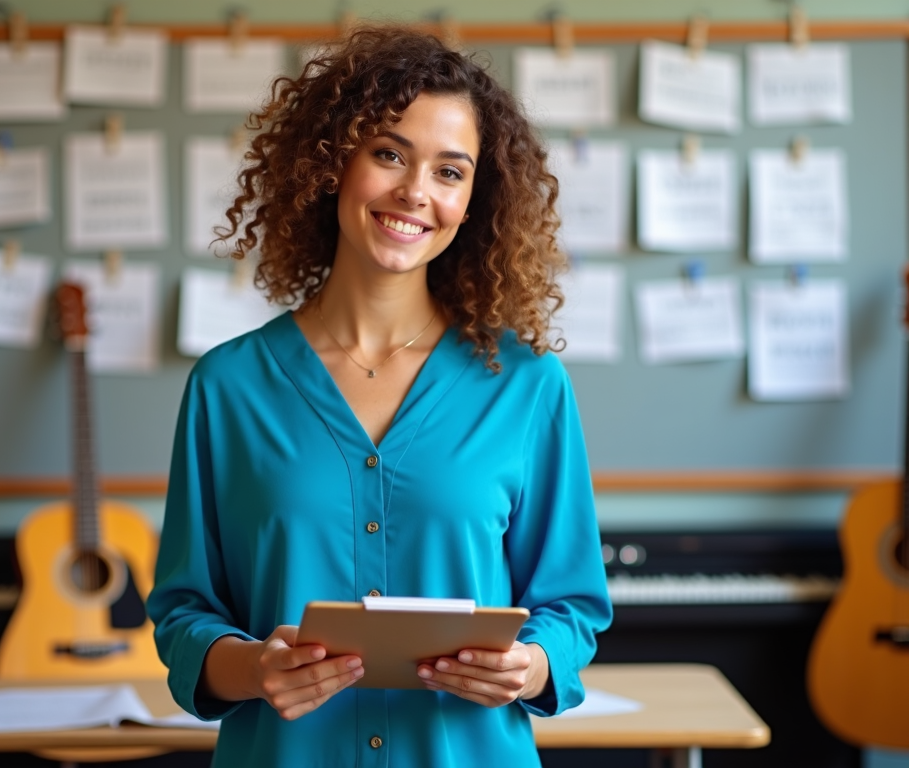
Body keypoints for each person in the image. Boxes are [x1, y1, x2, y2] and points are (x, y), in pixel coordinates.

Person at [146, 23, 612, 768]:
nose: (415, 193)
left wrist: (530, 666)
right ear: (333, 164)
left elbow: (572, 606)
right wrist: (254, 669)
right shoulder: (227, 387)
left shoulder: (527, 386)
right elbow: (183, 611)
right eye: (390, 154)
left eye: (450, 172)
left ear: (473, 201)